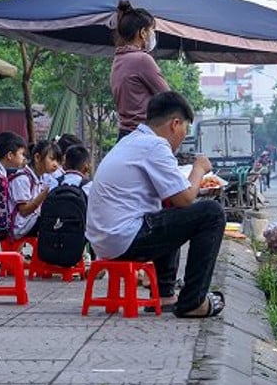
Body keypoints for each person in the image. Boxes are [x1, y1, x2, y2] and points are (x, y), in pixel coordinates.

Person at [86, 91, 226, 318]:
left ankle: (164, 293)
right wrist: (199, 168)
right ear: (175, 124)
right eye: (185, 130)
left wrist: (192, 185)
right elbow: (185, 198)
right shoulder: (155, 146)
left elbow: (176, 197)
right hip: (124, 238)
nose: (183, 137)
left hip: (104, 240)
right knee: (212, 213)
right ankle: (193, 301)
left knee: (169, 210)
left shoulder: (133, 141)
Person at [111, 0, 170, 139]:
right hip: (142, 136)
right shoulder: (142, 59)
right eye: (152, 30)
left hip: (125, 135)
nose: (153, 34)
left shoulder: (118, 58)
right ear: (143, 32)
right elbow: (168, 97)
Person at [10, 140, 51, 240]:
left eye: (58, 161)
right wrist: (44, 194)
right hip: (20, 225)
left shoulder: (40, 178)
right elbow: (24, 211)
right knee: (51, 222)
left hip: (30, 221)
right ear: (37, 158)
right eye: (52, 159)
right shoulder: (22, 178)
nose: (56, 165)